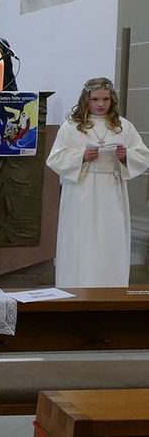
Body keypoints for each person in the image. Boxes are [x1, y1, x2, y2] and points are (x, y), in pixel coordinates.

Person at [46, 77, 149, 287]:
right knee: (82, 241)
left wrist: (125, 156)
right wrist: (81, 157)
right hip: (80, 192)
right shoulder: (71, 127)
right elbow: (54, 159)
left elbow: (143, 156)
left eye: (105, 99)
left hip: (111, 191)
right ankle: (76, 289)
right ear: (86, 99)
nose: (100, 104)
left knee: (110, 241)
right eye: (95, 99)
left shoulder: (123, 126)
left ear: (112, 100)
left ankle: (110, 291)